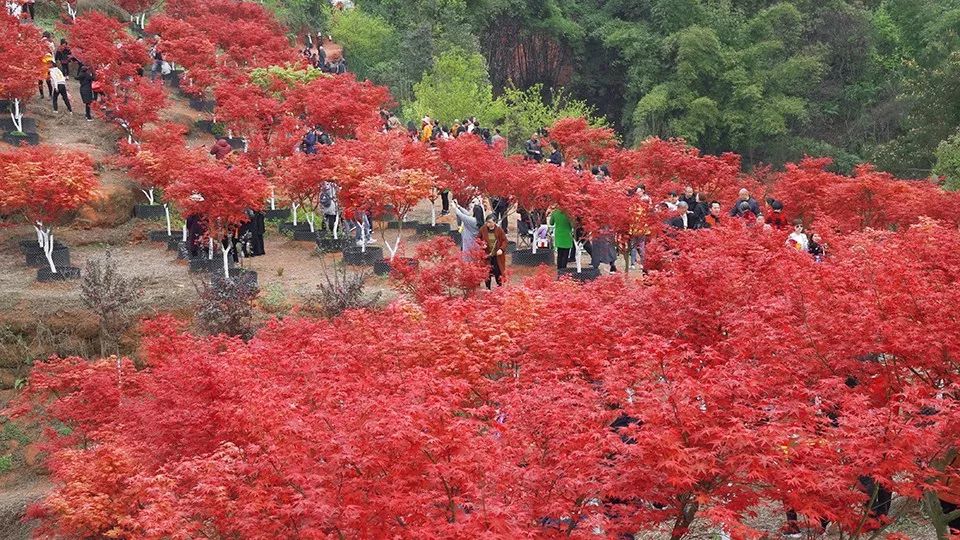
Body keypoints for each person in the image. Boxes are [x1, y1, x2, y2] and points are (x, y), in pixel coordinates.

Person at [479, 216, 507, 290]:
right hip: (487, 254)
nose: (488, 224)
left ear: (494, 222)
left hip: (497, 255)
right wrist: (482, 244)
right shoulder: (483, 229)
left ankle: (499, 288)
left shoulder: (499, 230)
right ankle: (488, 288)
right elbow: (478, 238)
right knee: (487, 272)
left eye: (490, 222)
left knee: (497, 271)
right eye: (487, 222)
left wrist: (501, 249)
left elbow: (505, 240)